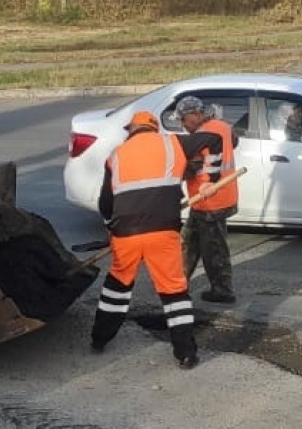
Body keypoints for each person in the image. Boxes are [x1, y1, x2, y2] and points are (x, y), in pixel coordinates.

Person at [91, 110, 224, 369]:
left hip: (126, 234)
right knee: (173, 290)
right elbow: (215, 141)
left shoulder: (116, 156)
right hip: (163, 231)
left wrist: (111, 228)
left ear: (131, 130)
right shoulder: (173, 142)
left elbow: (105, 203)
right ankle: (185, 353)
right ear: (154, 128)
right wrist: (210, 179)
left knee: (117, 288)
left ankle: (99, 339)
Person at [175, 96, 240, 304]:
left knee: (213, 248)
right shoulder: (222, 126)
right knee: (189, 241)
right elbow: (234, 142)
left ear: (195, 114)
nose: (183, 126)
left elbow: (193, 168)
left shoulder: (203, 136)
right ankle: (178, 284)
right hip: (214, 198)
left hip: (211, 201)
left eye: (184, 120)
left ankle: (223, 290)